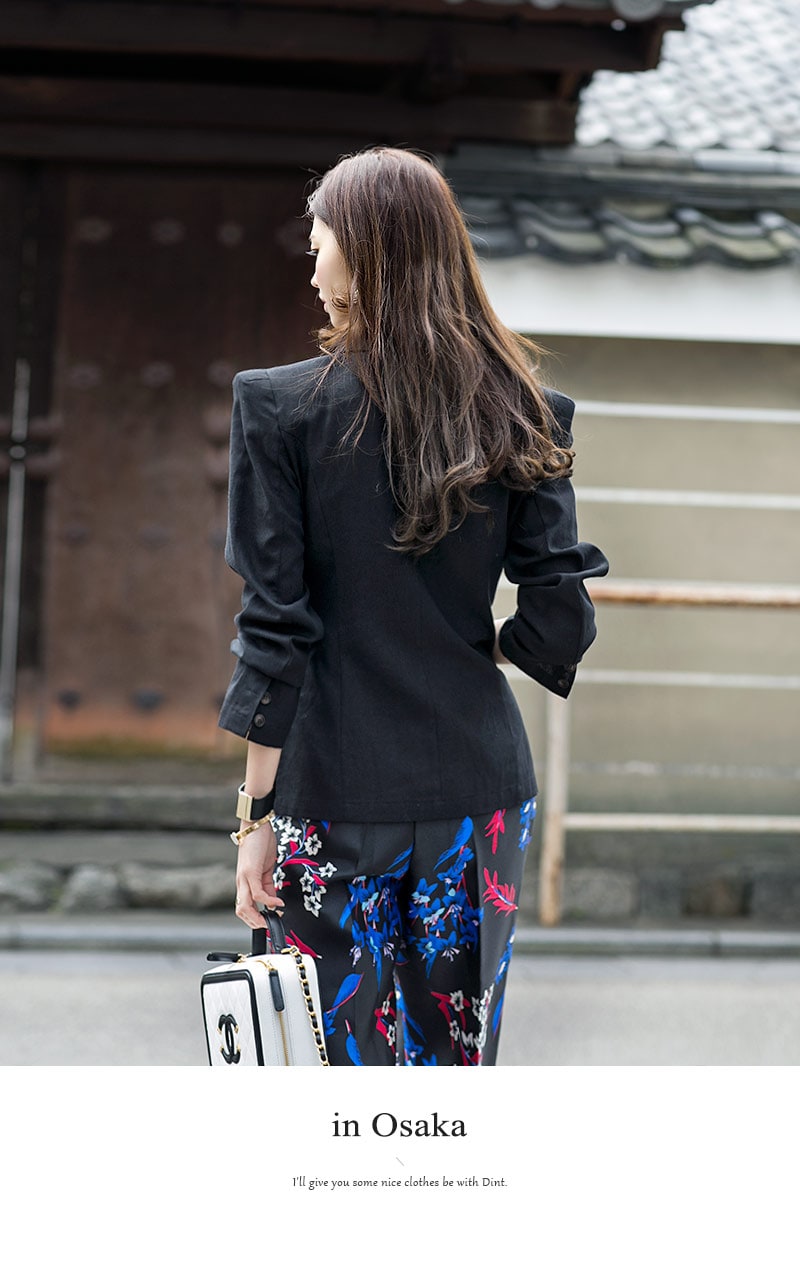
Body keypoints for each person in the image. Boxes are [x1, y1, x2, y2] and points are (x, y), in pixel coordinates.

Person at [218, 147, 608, 1066]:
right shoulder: (527, 409)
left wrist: (254, 817)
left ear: (365, 255)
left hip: (330, 785)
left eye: (319, 246)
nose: (312, 270)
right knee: (455, 1064)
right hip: (477, 785)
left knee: (334, 1061)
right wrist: (478, 642)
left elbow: (277, 628)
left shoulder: (278, 409)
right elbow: (561, 619)